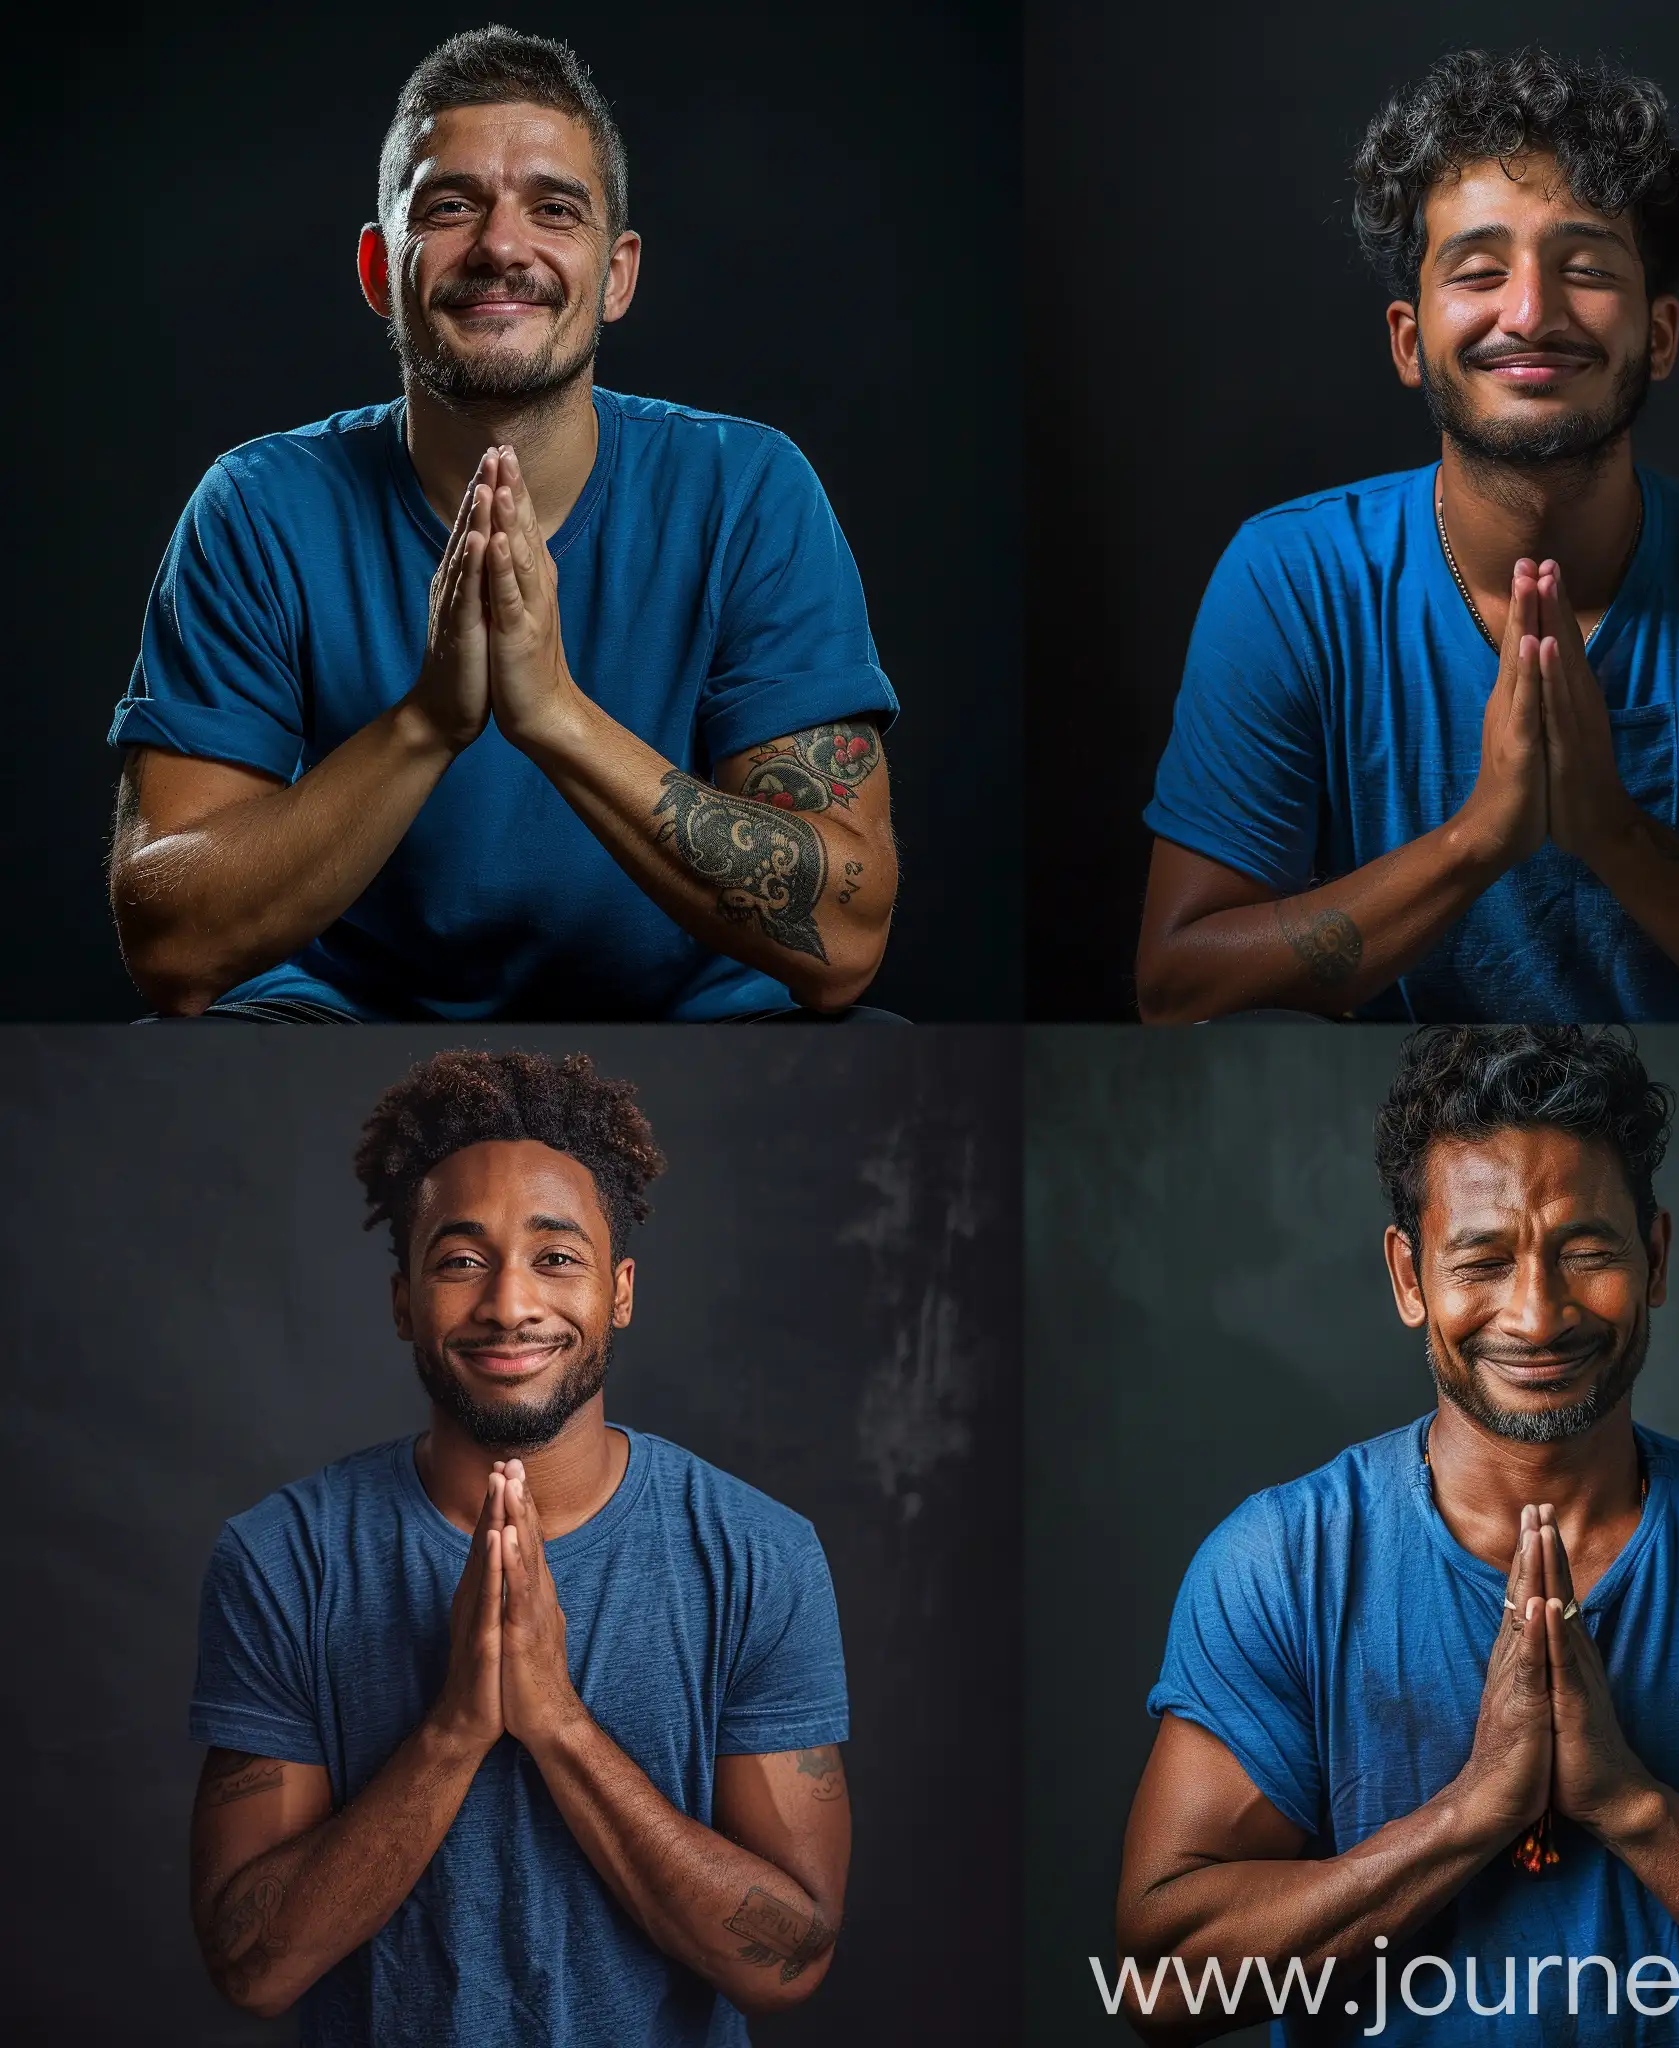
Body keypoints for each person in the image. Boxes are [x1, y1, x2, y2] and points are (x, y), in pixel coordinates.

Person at [1117, 1027, 1679, 2045]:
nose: (1536, 1312)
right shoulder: (1276, 1564)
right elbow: (1157, 1986)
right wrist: (1470, 1811)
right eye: (1482, 1257)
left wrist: (1629, 1803)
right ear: (1408, 1276)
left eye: (1585, 1250)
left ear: (1656, 1257)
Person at [110, 28, 898, 1022]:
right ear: (377, 267)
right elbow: (170, 950)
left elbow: (844, 940)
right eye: (450, 206)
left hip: (698, 1023)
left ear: (616, 275)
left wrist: (553, 715)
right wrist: (427, 720)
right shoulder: (256, 507)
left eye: (553, 208)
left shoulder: (751, 489)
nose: (500, 246)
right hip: (338, 1023)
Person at [1136, 49, 1679, 1025]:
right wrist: (1479, 836)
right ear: (1406, 340)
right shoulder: (1286, 579)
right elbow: (1174, 989)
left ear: (1660, 333)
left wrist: (1608, 831)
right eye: (1476, 272)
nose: (1529, 312)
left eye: (1586, 268)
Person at [187, 1049, 850, 2043]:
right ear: (403, 1298)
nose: (507, 1303)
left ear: (617, 1290)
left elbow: (790, 1958)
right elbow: (249, 1965)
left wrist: (559, 1725)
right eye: (459, 1260)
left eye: (555, 1257)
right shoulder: (285, 1557)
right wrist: (455, 1728)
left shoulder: (759, 1554)